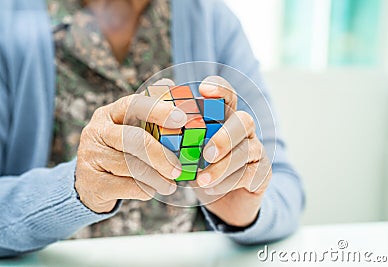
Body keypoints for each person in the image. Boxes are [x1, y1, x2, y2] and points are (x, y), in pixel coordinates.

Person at [0, 0, 305, 257]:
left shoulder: (213, 20)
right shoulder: (9, 24)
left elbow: (284, 185)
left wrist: (246, 212)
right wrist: (76, 189)